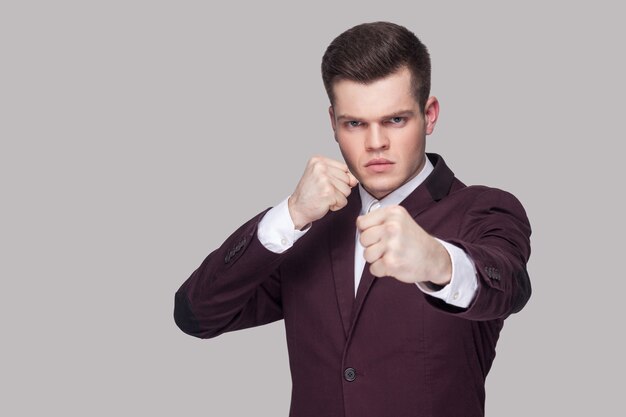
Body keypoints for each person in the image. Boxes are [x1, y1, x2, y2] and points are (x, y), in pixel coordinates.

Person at [174, 21, 531, 417]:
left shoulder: (484, 209)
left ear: (429, 115)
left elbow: (509, 286)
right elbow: (196, 314)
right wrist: (290, 214)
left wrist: (437, 261)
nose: (375, 142)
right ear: (333, 124)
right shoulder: (307, 230)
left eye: (395, 120)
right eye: (355, 123)